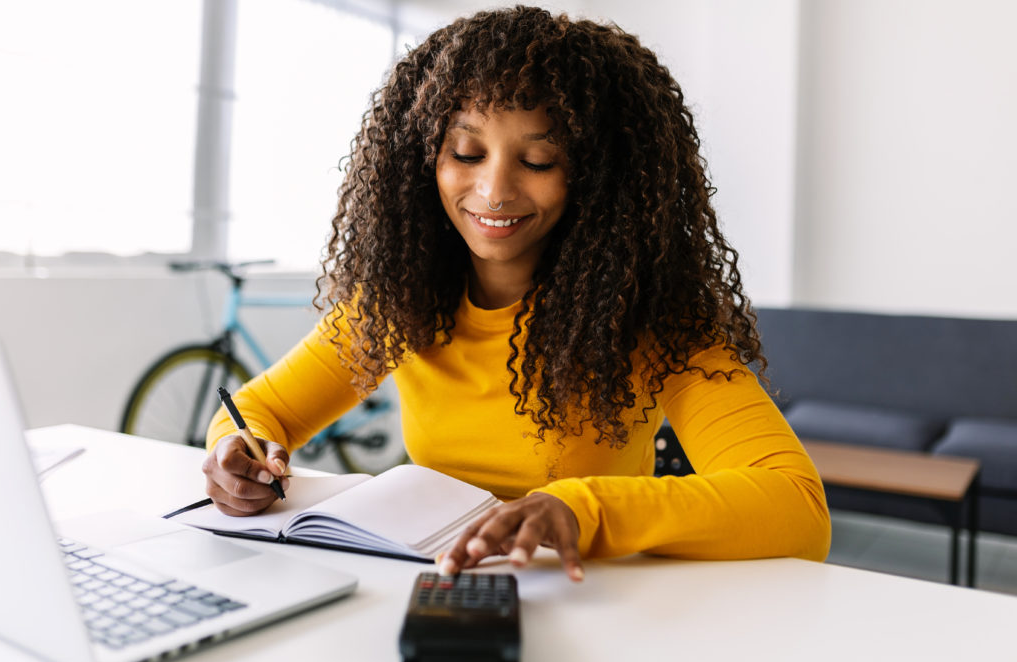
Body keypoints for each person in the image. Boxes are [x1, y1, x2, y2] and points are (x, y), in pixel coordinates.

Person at [202, 6, 831, 583]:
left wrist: (575, 509)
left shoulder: (652, 321)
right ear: (425, 158)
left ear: (597, 177)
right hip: (431, 584)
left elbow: (796, 505)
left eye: (537, 161)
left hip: (589, 595)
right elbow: (259, 413)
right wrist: (238, 453)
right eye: (467, 152)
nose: (494, 191)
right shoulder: (399, 302)